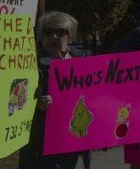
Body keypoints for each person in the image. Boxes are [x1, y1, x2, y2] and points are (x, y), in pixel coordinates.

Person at [18, 12, 91, 169]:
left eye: (61, 32)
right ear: (42, 37)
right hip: (39, 144)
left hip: (72, 142)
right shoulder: (28, 62)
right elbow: (16, 98)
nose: (54, 36)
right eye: (48, 32)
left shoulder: (86, 61)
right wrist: (36, 104)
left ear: (70, 37)